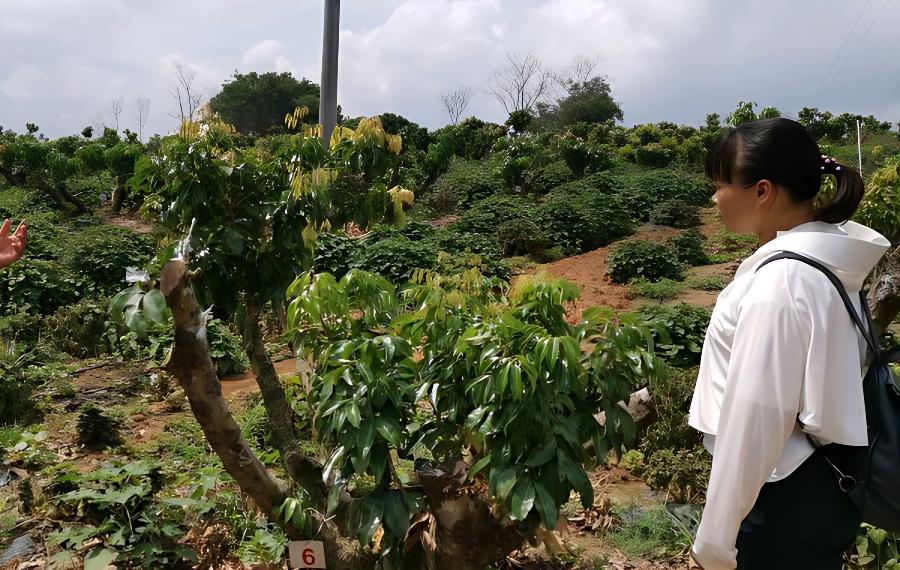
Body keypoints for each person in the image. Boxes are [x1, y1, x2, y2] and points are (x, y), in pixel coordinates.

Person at [686, 118, 891, 569]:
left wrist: (714, 543)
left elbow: (755, 420)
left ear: (762, 191)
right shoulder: (827, 261)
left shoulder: (780, 281)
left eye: (721, 183)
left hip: (778, 494)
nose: (715, 197)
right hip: (824, 483)